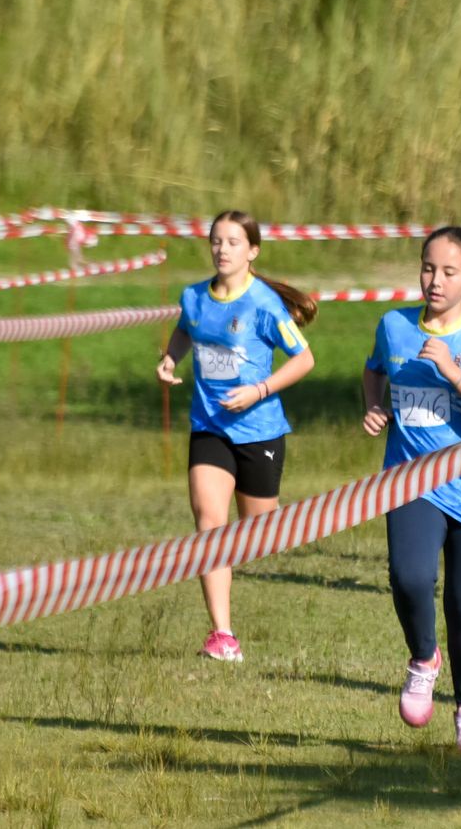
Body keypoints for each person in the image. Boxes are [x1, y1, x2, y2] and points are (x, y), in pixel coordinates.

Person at [363, 226, 461, 756]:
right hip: (412, 478)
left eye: (450, 271)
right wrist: (377, 406)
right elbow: (374, 371)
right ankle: (424, 658)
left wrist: (454, 373)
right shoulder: (394, 325)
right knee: (409, 576)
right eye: (429, 268)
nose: (435, 280)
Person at [156, 211, 316, 662]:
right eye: (216, 241)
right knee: (209, 522)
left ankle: (261, 530)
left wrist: (259, 390)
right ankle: (222, 634)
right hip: (209, 427)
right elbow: (186, 332)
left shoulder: (264, 304)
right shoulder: (193, 297)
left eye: (232, 242)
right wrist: (170, 359)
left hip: (259, 430)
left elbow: (304, 360)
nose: (222, 249)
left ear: (252, 251)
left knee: (260, 532)